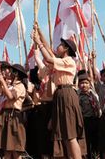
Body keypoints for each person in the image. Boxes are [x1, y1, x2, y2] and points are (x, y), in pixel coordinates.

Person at [31, 22, 85, 159]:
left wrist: (38, 41)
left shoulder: (69, 61)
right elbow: (50, 53)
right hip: (60, 95)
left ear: (66, 48)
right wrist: (40, 31)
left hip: (67, 94)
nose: (57, 46)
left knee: (70, 134)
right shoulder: (60, 61)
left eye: (61, 45)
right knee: (65, 136)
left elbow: (49, 57)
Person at [0, 63, 27, 159]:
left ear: (17, 74)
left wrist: (3, 82)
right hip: (4, 116)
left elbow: (11, 96)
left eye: (12, 71)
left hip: (14, 116)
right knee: (6, 151)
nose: (9, 73)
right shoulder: (8, 85)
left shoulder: (20, 86)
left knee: (16, 151)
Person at [77, 71, 101, 158]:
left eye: (86, 83)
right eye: (82, 83)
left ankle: (96, 156)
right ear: (79, 84)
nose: (84, 85)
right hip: (85, 121)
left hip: (96, 119)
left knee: (96, 142)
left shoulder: (93, 93)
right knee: (87, 142)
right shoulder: (78, 96)